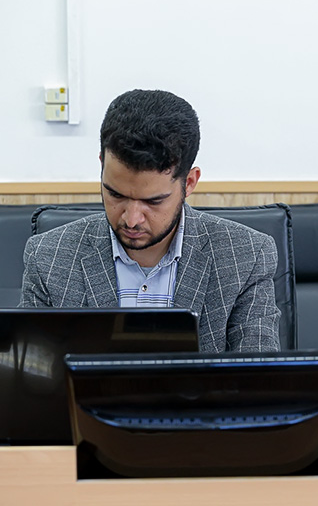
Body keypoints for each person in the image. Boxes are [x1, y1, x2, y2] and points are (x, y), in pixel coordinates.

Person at [19, 89, 281, 353]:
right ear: (102, 166)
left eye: (153, 201)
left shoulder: (245, 257)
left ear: (189, 182)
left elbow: (257, 372)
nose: (132, 220)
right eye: (116, 194)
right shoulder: (48, 258)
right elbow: (32, 370)